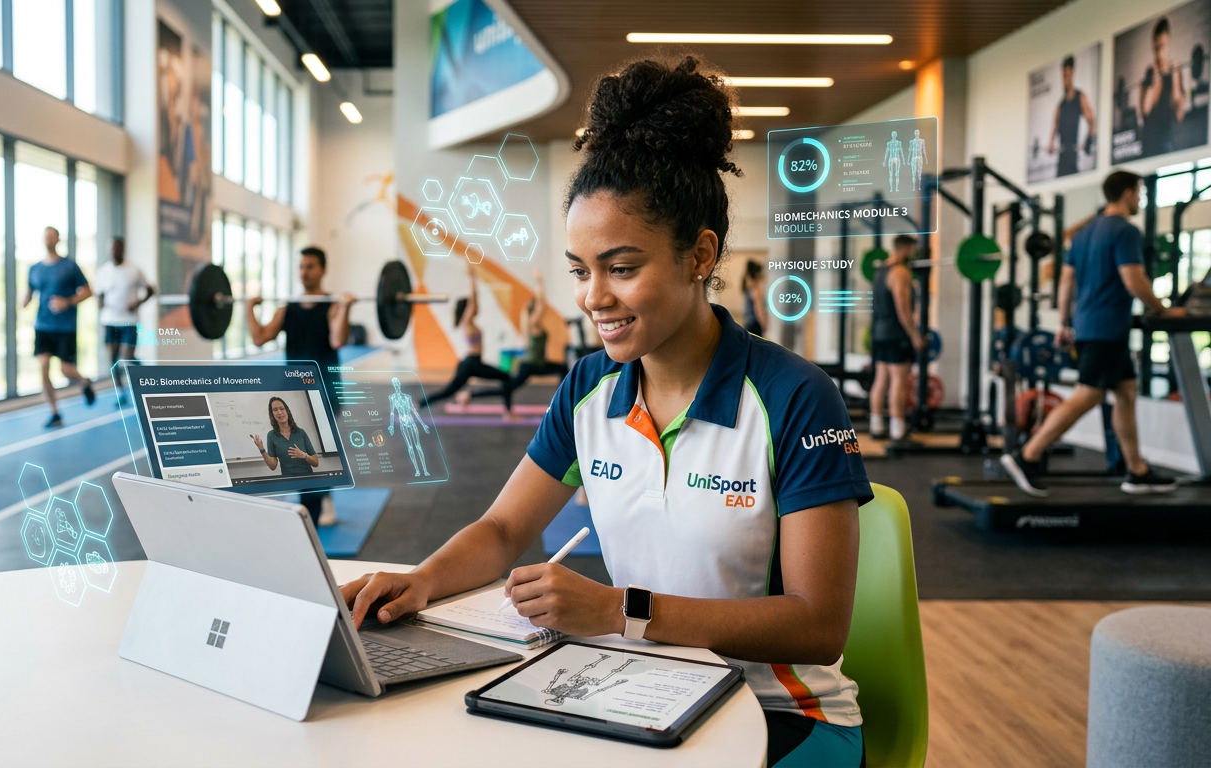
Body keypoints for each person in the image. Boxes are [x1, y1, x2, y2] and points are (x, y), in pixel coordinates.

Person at [342, 57, 870, 768]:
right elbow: (503, 530)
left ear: (699, 256)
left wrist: (622, 612)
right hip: (636, 689)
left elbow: (817, 626)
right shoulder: (589, 387)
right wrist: (424, 578)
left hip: (782, 714)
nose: (593, 297)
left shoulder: (795, 397)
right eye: (580, 270)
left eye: (621, 268)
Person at [1002, 171, 1183, 497]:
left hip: (1089, 327)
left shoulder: (1083, 234)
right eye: (1138, 193)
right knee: (1090, 395)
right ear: (1127, 194)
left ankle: (1136, 470)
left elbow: (1066, 282)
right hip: (1107, 329)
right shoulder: (1126, 231)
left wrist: (1065, 323)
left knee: (1126, 392)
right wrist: (1163, 309)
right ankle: (1027, 455)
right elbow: (1134, 280)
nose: (1139, 199)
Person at [247, 246, 353, 526]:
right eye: (301, 267)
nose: (304, 273)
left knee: (317, 447)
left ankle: (317, 502)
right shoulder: (288, 308)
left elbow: (337, 341)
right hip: (295, 390)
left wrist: (345, 308)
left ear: (322, 269)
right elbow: (259, 338)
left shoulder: (332, 306)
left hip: (326, 389)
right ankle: (314, 499)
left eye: (310, 267)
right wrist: (249, 309)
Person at [22, 226, 96, 428]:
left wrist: (68, 302)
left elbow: (88, 291)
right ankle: (55, 413)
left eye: (51, 236)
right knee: (43, 366)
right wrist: (23, 301)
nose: (48, 239)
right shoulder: (35, 268)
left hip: (65, 327)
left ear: (57, 240)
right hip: (43, 326)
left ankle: (84, 381)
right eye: (45, 236)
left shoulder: (69, 266)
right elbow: (28, 293)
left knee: (66, 371)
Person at [421, 262, 515, 415]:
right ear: (468, 310)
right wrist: (473, 278)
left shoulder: (471, 324)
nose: (477, 307)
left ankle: (422, 404)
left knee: (450, 391)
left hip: (472, 363)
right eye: (473, 307)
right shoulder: (467, 322)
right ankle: (507, 412)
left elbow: (473, 303)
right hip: (471, 363)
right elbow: (474, 301)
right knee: (505, 378)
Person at [868, 235, 926, 442]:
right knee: (899, 381)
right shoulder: (900, 272)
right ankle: (898, 430)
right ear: (905, 249)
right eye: (912, 250)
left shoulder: (879, 271)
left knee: (881, 379)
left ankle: (876, 426)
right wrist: (914, 335)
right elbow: (903, 308)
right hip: (897, 334)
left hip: (880, 333)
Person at [93, 236, 154, 403]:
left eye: (118, 248)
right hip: (110, 320)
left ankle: (143, 373)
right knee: (113, 358)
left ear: (123, 249)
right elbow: (99, 296)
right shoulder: (102, 272)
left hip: (129, 320)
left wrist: (138, 302)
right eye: (112, 248)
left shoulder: (134, 270)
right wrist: (101, 303)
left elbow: (150, 290)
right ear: (108, 250)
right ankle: (120, 392)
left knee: (127, 356)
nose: (114, 251)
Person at [506, 268, 570, 393]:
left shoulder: (535, 324)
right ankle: (472, 395)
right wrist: (539, 281)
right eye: (536, 309)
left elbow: (540, 305)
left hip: (539, 364)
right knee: (508, 387)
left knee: (562, 368)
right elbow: (541, 302)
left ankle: (563, 396)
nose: (540, 311)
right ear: (532, 312)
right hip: (530, 365)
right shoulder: (532, 323)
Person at [1139, 17, 1187, 158]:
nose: (1159, 53)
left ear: (1169, 42)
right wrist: (1156, 80)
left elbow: (1179, 114)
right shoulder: (1149, 74)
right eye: (1156, 48)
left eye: (1162, 47)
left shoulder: (1176, 71)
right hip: (1149, 143)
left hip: (1169, 141)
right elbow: (1145, 112)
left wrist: (1175, 79)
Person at [1048, 55, 1097, 177]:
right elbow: (1054, 128)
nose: (1065, 79)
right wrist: (1050, 144)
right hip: (1062, 158)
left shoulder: (1080, 97)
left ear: (1072, 73)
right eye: (1063, 76)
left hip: (1073, 156)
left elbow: (1092, 121)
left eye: (1067, 76)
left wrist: (1088, 141)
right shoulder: (1060, 106)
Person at [250, 396, 320, 477]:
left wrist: (304, 455)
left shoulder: (300, 432)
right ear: (272, 414)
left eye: (282, 408)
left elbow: (316, 462)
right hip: (288, 480)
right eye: (275, 410)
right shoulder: (271, 435)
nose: (279, 412)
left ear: (287, 411)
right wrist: (261, 449)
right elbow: (273, 466)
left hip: (307, 478)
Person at [740, 260, 767, 336]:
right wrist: (765, 326)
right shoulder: (756, 290)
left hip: (748, 324)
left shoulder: (749, 288)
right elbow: (759, 311)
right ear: (758, 275)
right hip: (755, 325)